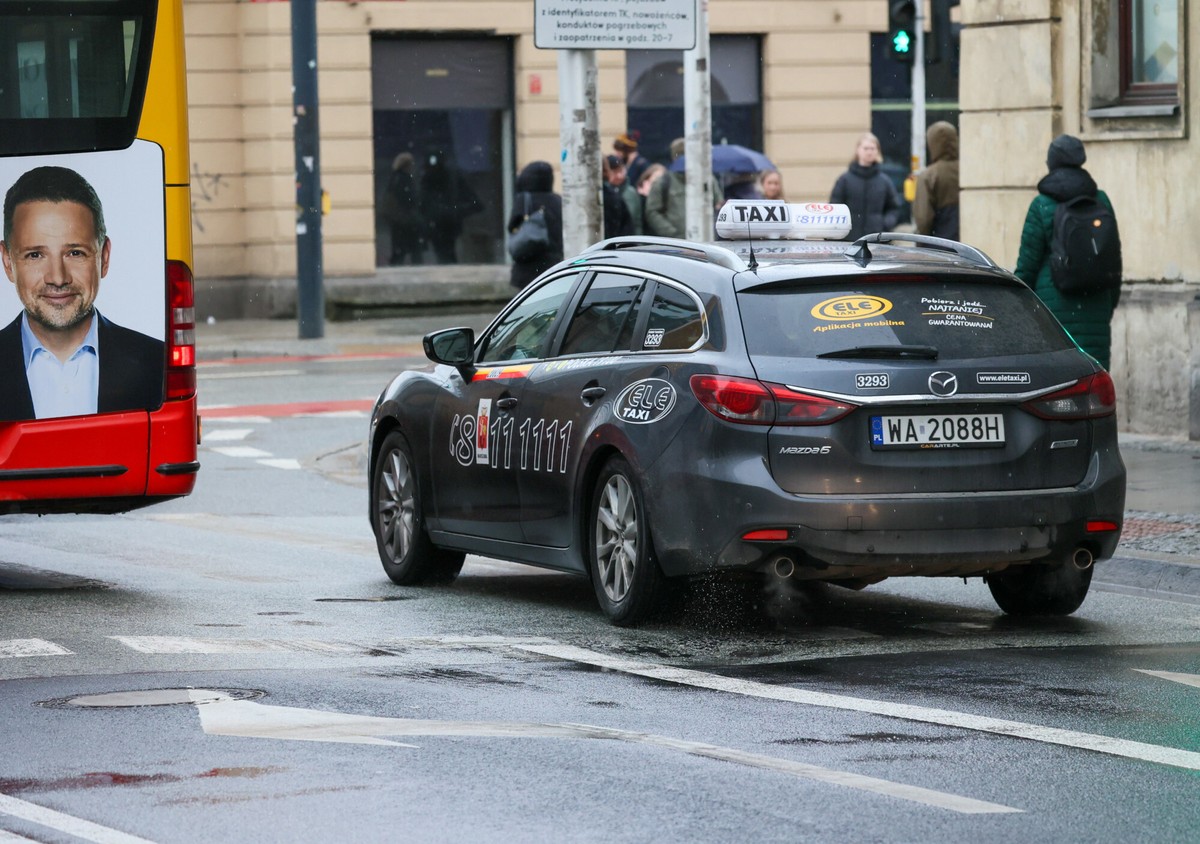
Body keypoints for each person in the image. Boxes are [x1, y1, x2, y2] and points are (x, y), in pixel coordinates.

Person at [0, 165, 163, 421]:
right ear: (8, 262)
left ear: (104, 257)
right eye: (35, 255)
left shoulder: (157, 365)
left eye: (75, 253)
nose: (58, 278)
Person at [1015, 134, 1121, 369]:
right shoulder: (1101, 200)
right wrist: (1107, 304)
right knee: (1094, 385)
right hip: (1097, 304)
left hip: (1052, 311)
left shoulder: (1041, 204)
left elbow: (1027, 267)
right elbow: (1113, 259)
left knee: (1059, 387)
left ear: (1051, 164)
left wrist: (1022, 311)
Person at [829, 132, 903, 241]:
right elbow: (834, 208)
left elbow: (894, 208)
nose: (869, 152)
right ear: (858, 150)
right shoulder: (844, 180)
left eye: (873, 149)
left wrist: (885, 224)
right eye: (866, 148)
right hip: (848, 240)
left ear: (877, 151)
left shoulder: (884, 181)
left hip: (877, 241)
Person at [644, 139, 721, 240]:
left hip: (705, 239)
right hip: (676, 243)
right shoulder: (664, 182)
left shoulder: (707, 179)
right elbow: (652, 211)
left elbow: (719, 205)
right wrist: (671, 233)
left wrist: (712, 229)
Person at [507, 161, 563, 290]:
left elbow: (512, 227)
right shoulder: (558, 200)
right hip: (553, 267)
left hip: (528, 267)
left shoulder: (524, 199)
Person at [419, 154, 481, 264]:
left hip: (447, 225)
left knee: (447, 255)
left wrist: (456, 211)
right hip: (440, 225)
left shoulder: (452, 179)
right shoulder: (428, 181)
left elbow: (475, 203)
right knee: (445, 255)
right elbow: (422, 204)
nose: (434, 171)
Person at [913, 121, 960, 240]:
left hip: (940, 245)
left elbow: (923, 219)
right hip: (969, 247)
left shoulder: (929, 175)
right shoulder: (967, 170)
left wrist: (922, 243)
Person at [382, 152, 424, 265]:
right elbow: (409, 199)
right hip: (406, 221)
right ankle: (417, 271)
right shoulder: (404, 179)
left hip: (398, 221)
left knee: (399, 250)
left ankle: (395, 269)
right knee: (414, 250)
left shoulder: (394, 178)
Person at [601, 155, 634, 240]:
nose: (619, 176)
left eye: (621, 171)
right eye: (615, 172)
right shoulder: (610, 195)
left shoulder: (630, 193)